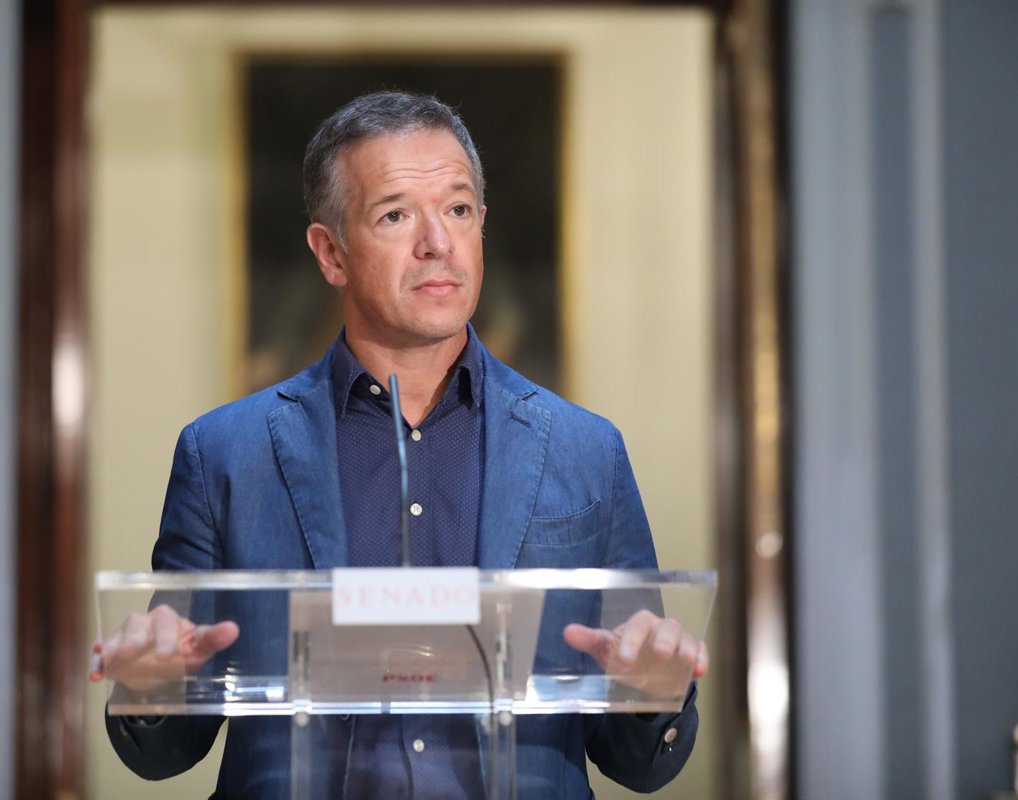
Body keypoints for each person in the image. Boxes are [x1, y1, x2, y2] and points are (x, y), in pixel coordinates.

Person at [92, 91, 707, 798]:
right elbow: (165, 751)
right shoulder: (225, 454)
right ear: (331, 253)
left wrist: (655, 691)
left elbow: (639, 762)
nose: (438, 242)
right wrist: (149, 684)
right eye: (395, 215)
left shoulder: (586, 450)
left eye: (458, 209)